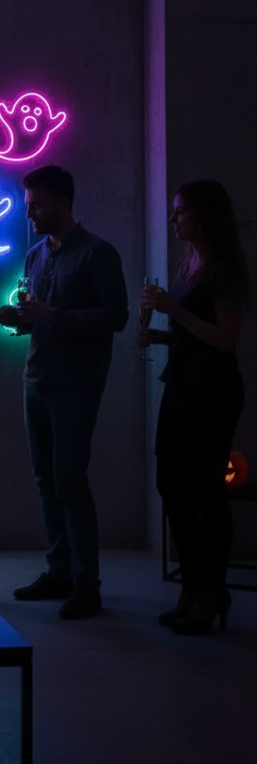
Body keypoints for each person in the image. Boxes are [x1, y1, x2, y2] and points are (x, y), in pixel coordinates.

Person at [0, 165, 128, 619]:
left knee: (70, 482)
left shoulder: (98, 254)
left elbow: (115, 317)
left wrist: (54, 316)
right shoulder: (36, 255)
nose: (29, 213)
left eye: (36, 206)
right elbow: (39, 318)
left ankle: (86, 584)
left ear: (62, 203)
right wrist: (19, 320)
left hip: (76, 384)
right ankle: (59, 571)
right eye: (28, 205)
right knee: (46, 482)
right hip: (36, 379)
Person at [140, 180, 249, 635]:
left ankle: (209, 591)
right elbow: (194, 335)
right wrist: (161, 335)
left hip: (213, 391)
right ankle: (193, 585)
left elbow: (225, 339)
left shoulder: (224, 269)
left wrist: (175, 312)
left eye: (181, 211)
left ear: (204, 216)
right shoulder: (192, 263)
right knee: (170, 483)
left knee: (205, 492)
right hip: (183, 385)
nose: (173, 219)